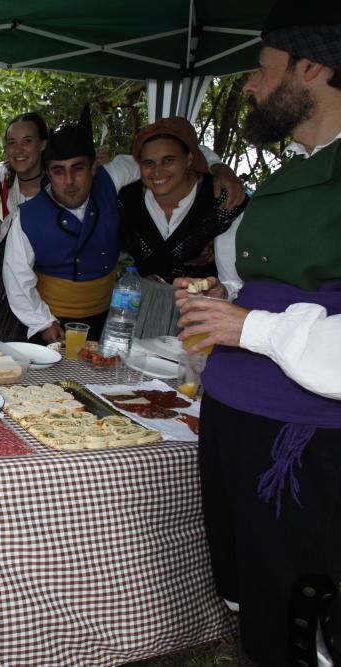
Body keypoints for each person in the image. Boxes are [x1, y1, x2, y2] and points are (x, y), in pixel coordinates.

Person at [174, 2, 341, 663]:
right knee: (256, 608)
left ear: (313, 67)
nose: (248, 84)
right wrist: (232, 305)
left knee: (303, 620)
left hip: (300, 444)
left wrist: (256, 325)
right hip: (237, 420)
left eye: (261, 69)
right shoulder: (293, 174)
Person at [3, 105, 245, 343]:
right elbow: (16, 278)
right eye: (58, 171)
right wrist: (42, 322)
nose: (69, 181)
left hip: (109, 318)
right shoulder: (27, 216)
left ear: (94, 166)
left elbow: (170, 155)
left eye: (78, 168)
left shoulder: (113, 178)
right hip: (52, 321)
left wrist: (219, 168)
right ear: (48, 172)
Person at [119, 117, 247, 338]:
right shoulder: (128, 199)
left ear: (189, 160)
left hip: (196, 313)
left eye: (168, 160)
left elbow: (231, 280)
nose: (157, 171)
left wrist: (222, 295)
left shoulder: (220, 202)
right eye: (148, 163)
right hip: (137, 309)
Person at [0, 112, 49, 341]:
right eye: (12, 143)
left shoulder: (57, 184)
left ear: (43, 144)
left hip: (43, 273)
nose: (18, 150)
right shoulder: (0, 176)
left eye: (27, 141)